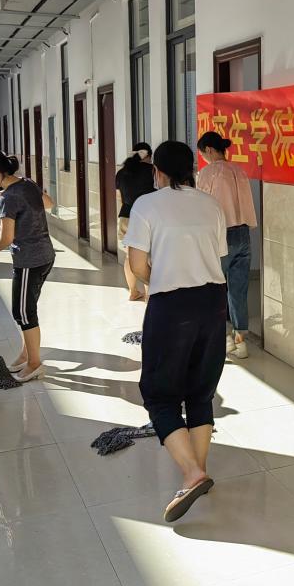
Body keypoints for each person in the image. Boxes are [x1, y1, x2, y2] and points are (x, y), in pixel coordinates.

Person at [124, 141, 228, 522]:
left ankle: (192, 473)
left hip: (172, 305)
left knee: (159, 393)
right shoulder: (210, 204)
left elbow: (137, 265)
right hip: (213, 302)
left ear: (158, 171)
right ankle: (198, 474)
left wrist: (160, 276)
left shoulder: (146, 205)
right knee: (200, 391)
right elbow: (216, 254)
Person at [0, 149, 56, 383]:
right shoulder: (26, 183)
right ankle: (25, 354)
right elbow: (48, 203)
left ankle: (34, 364)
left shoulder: (9, 197)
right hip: (45, 255)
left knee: (23, 312)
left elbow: (6, 238)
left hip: (29, 260)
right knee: (27, 308)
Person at [197, 132, 257, 360]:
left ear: (209, 150)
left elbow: (203, 207)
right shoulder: (238, 170)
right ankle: (241, 343)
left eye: (203, 153)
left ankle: (224, 340)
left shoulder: (207, 173)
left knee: (215, 290)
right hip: (243, 234)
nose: (203, 157)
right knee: (238, 292)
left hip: (221, 236)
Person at [114, 142, 156, 301]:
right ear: (149, 156)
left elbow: (119, 197)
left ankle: (133, 291)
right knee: (148, 256)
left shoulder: (121, 173)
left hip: (126, 216)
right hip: (147, 217)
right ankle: (148, 295)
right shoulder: (152, 170)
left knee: (129, 256)